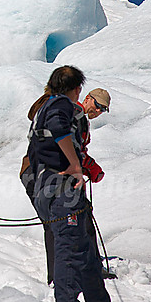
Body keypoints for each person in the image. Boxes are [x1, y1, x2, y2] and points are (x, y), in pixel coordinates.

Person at [26, 65, 117, 302]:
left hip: (52, 189)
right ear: (77, 88)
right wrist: (77, 165)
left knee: (86, 255)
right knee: (68, 254)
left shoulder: (47, 104)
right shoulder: (61, 105)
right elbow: (58, 130)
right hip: (60, 190)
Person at [21, 85, 113, 284]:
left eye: (102, 109)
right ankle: (61, 277)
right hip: (41, 172)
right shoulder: (71, 113)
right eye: (97, 105)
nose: (97, 111)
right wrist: (90, 167)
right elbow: (68, 146)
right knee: (57, 220)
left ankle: (76, 271)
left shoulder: (71, 114)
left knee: (76, 216)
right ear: (87, 98)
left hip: (43, 171)